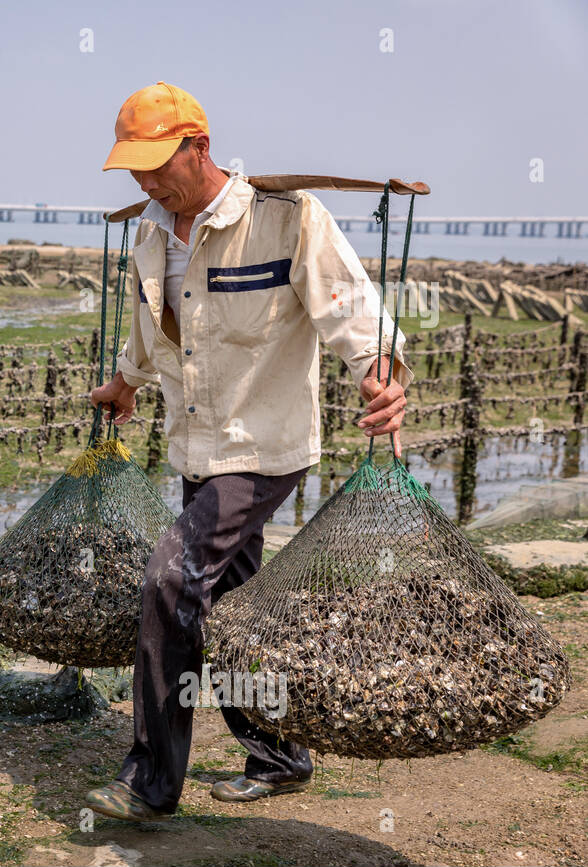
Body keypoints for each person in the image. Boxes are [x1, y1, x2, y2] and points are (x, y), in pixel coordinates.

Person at [83, 82, 413, 822]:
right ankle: (279, 753)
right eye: (131, 168)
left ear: (198, 146)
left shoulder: (285, 220)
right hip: (195, 447)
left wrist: (382, 377)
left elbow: (351, 310)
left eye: (155, 163)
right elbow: (151, 327)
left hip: (262, 446)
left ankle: (150, 782)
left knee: (170, 579)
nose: (144, 180)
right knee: (228, 604)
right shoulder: (149, 232)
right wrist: (123, 383)